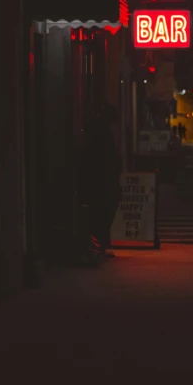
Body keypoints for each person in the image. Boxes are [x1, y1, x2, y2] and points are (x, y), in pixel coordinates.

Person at [79, 104, 121, 266]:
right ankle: (97, 248)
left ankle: (98, 247)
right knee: (101, 215)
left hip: (100, 181)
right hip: (102, 182)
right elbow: (105, 159)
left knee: (100, 215)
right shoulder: (101, 132)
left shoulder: (98, 130)